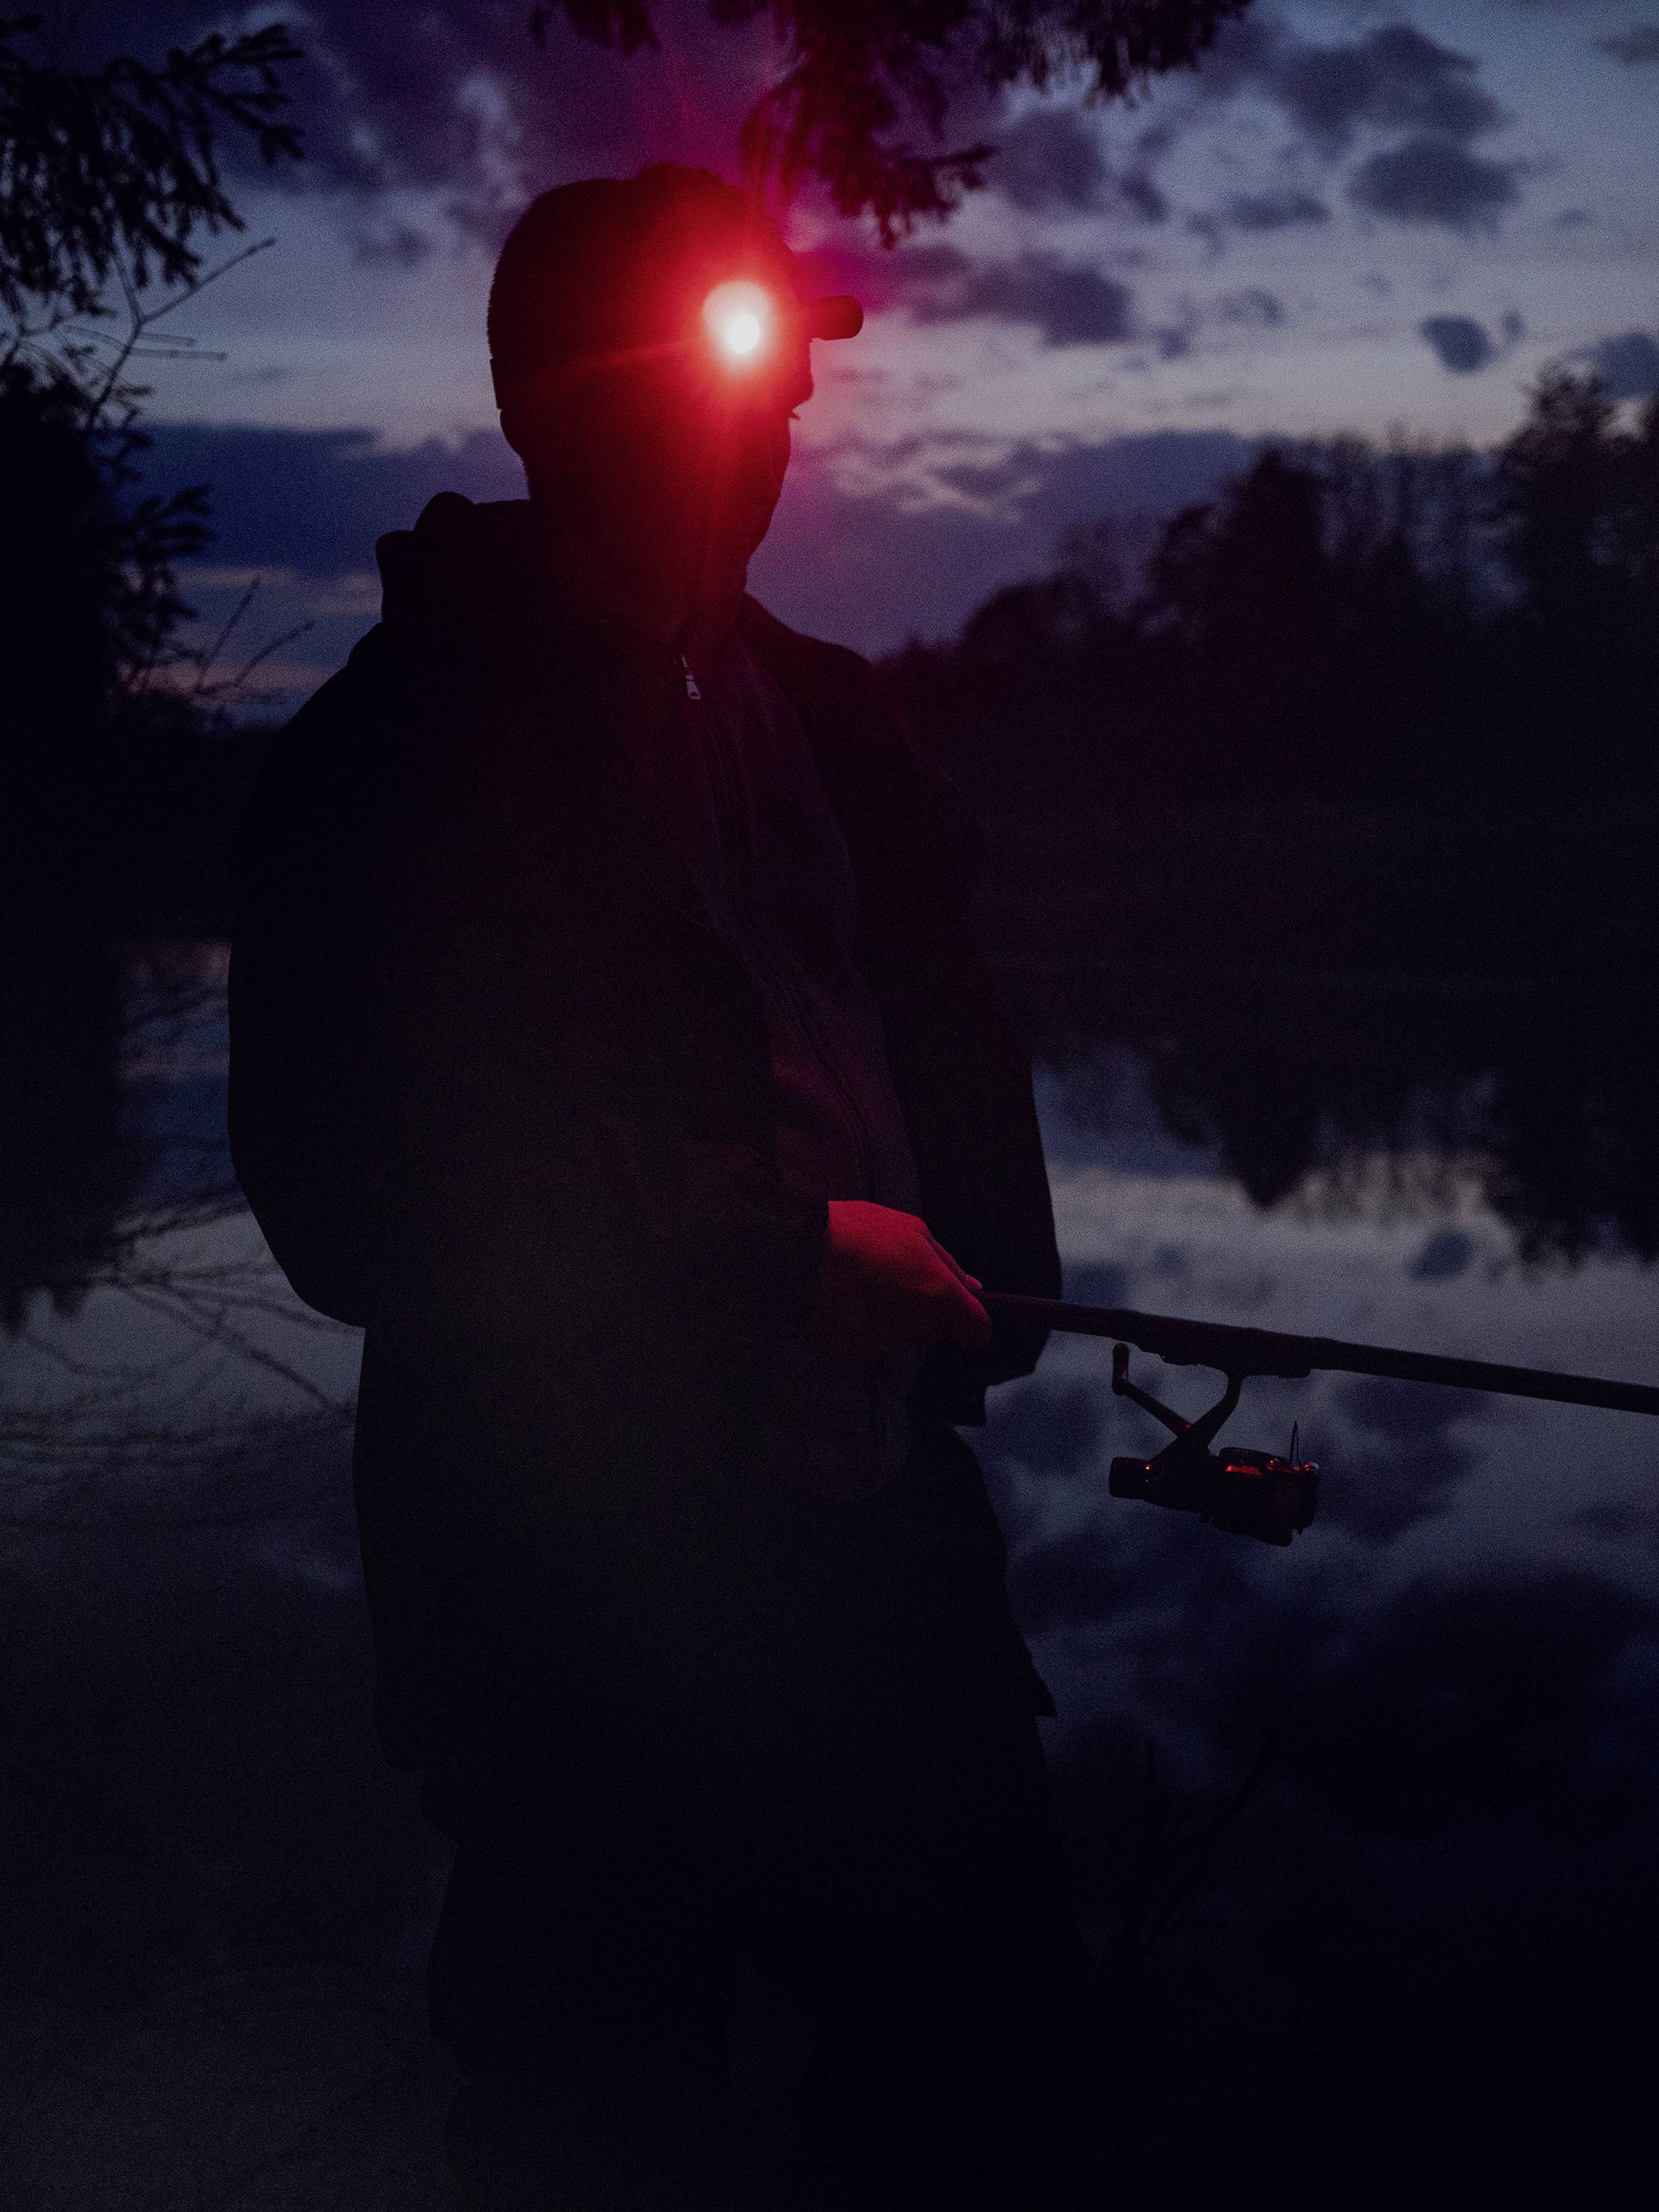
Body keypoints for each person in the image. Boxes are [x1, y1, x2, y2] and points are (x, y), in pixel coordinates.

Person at [228, 164, 1085, 2208]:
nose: (760, 439)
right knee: (595, 2124)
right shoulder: (386, 762)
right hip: (570, 1610)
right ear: (557, 410)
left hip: (891, 1585)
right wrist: (779, 1259)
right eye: (715, 392)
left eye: (781, 397)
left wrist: (990, 1284)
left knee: (971, 2080)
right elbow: (354, 1201)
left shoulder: (838, 722)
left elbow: (948, 1045)